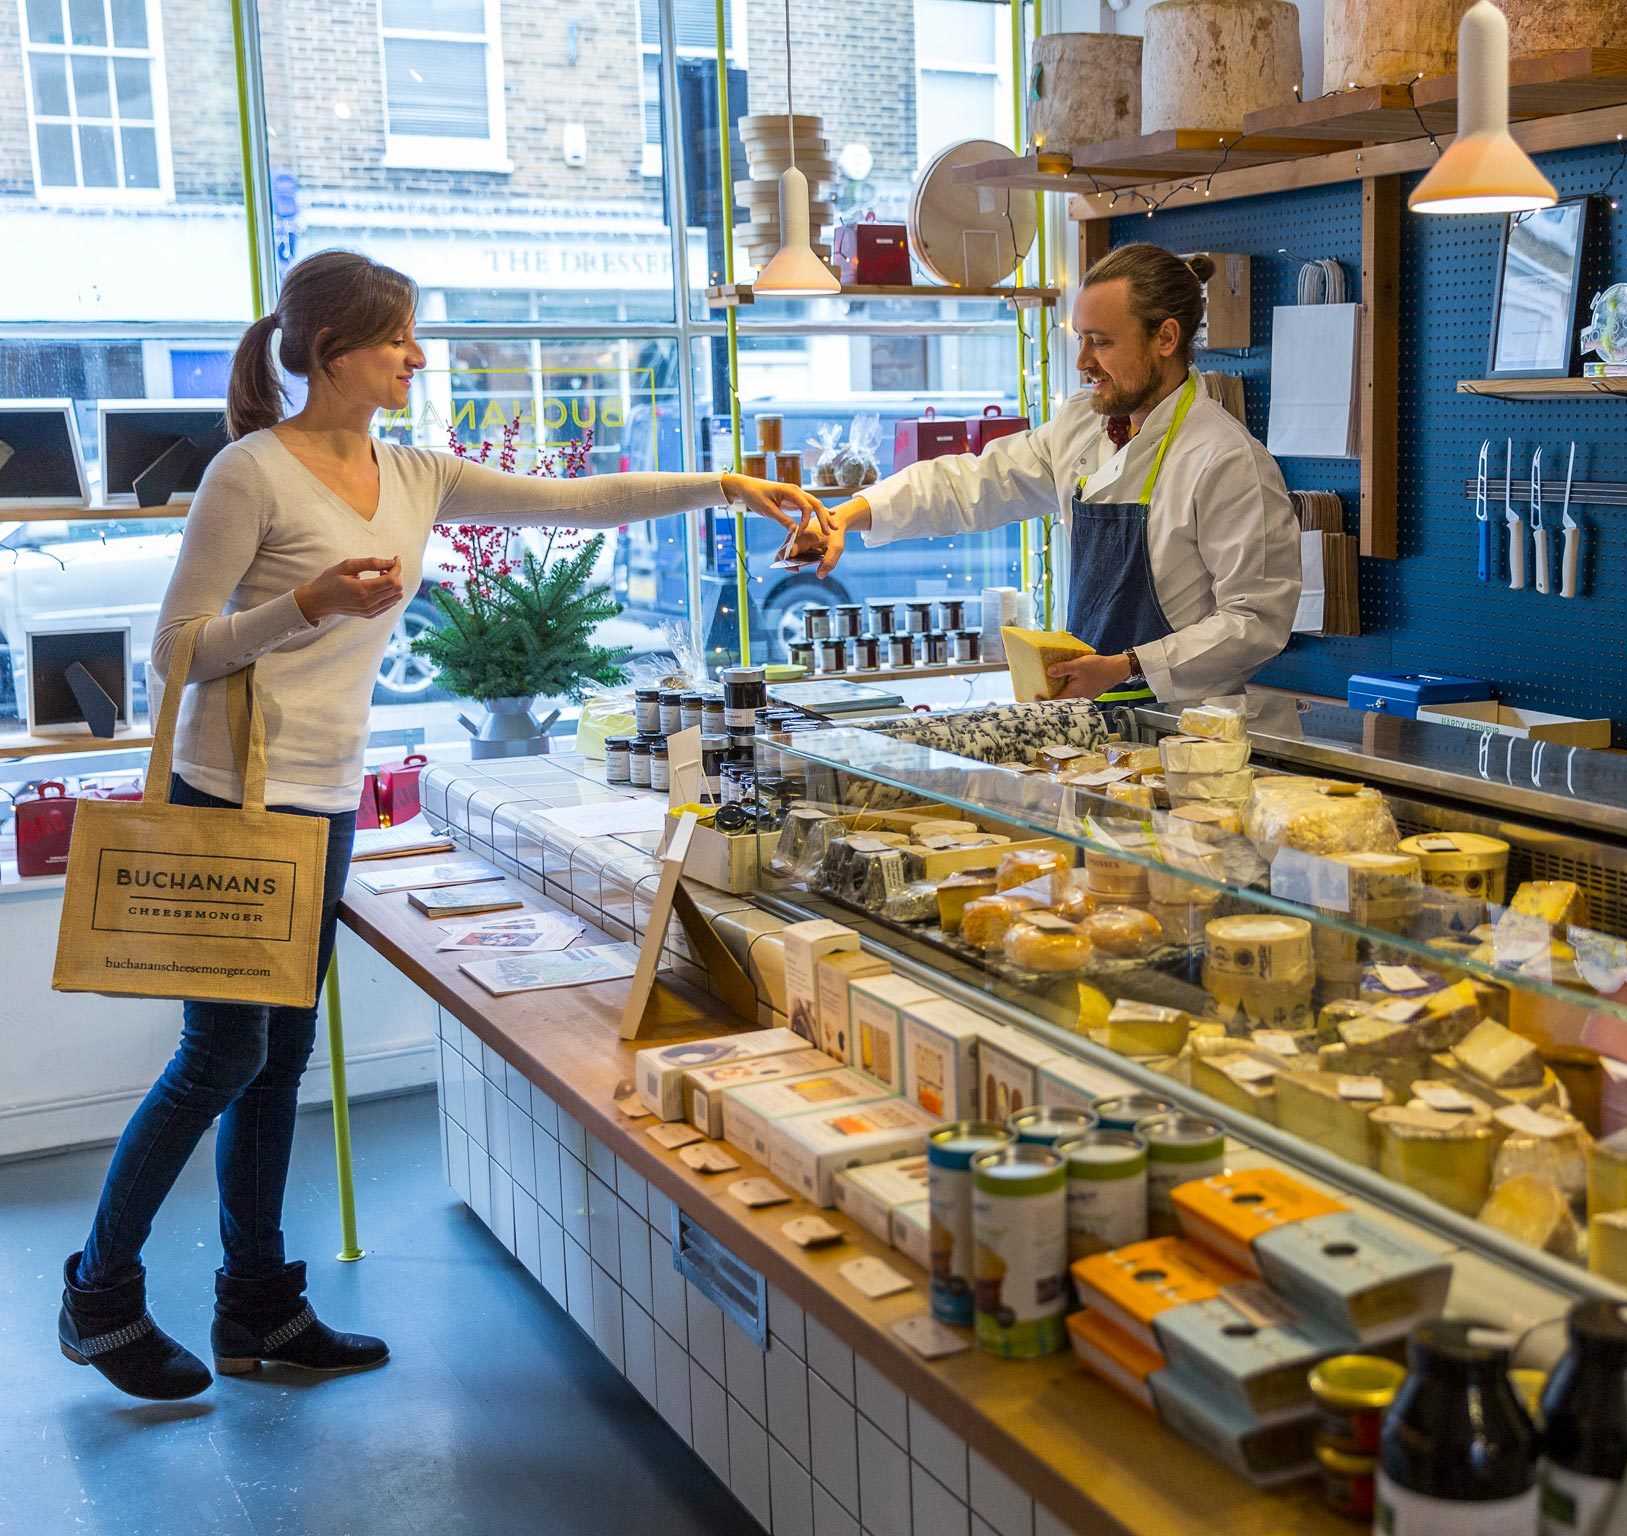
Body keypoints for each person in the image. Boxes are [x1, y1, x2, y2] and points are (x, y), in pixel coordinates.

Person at [59, 249, 820, 1402]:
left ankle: (257, 1308)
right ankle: (99, 1295)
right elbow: (176, 654)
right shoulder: (248, 474)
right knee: (223, 1055)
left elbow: (576, 501)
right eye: (399, 338)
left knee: (277, 1066)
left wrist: (725, 488)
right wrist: (305, 604)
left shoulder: (407, 471)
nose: (419, 356)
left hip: (318, 803)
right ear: (331, 353)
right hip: (228, 797)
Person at [777, 243, 1300, 704]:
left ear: (1165, 338)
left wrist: (1124, 667)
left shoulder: (1226, 461)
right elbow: (973, 483)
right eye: (1080, 339)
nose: (1082, 362)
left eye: (1101, 341)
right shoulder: (1084, 427)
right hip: (1090, 723)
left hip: (1186, 738)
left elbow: (1254, 623)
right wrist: (850, 513)